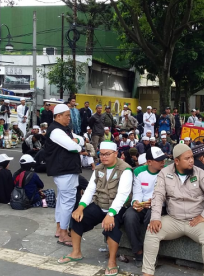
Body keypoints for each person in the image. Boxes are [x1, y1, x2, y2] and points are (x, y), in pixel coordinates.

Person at [142, 144, 204, 276]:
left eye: (191, 157)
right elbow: (158, 196)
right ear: (177, 161)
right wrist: (155, 218)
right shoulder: (165, 173)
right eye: (187, 158)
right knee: (152, 232)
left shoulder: (200, 173)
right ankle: (148, 272)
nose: (191, 160)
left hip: (196, 221)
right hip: (174, 219)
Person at [57, 141, 133, 276]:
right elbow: (90, 190)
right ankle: (76, 252)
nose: (103, 157)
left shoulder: (125, 170)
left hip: (117, 207)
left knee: (111, 226)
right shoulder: (98, 168)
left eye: (107, 154)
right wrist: (80, 207)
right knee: (76, 219)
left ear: (116, 154)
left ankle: (112, 261)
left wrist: (111, 213)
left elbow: (122, 195)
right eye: (101, 154)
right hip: (99, 204)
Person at [45, 103, 84, 246]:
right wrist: (78, 144)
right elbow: (74, 147)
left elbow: (80, 138)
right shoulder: (56, 131)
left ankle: (59, 229)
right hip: (64, 170)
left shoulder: (63, 129)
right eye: (67, 115)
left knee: (62, 200)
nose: (70, 118)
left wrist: (77, 141)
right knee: (67, 201)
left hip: (66, 169)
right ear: (58, 116)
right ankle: (63, 233)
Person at [124, 147, 166, 267]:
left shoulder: (166, 172)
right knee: (129, 216)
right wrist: (136, 203)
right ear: (149, 162)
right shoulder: (139, 172)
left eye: (163, 159)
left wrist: (154, 202)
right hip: (143, 204)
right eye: (159, 160)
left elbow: (168, 195)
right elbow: (137, 191)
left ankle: (151, 255)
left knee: (151, 217)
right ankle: (138, 252)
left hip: (159, 205)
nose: (163, 162)